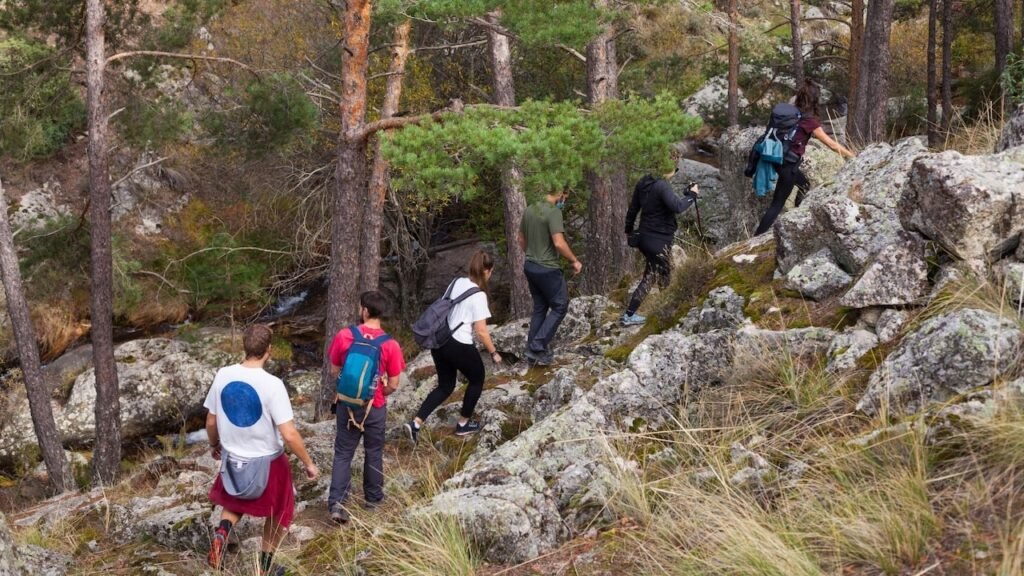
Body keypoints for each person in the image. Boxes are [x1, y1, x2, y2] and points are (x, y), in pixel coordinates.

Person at [205, 324, 318, 576]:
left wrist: (214, 446)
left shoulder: (223, 374)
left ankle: (222, 533)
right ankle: (263, 568)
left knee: (234, 501)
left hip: (233, 458)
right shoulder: (273, 384)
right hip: (268, 462)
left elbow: (211, 421)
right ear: (269, 350)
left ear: (244, 347)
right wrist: (309, 463)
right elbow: (289, 433)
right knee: (280, 511)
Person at [405, 251, 502, 445]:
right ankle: (463, 424)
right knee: (477, 378)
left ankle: (415, 423)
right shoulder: (479, 295)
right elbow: (481, 331)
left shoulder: (456, 282)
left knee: (446, 385)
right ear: (487, 271)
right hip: (459, 343)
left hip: (439, 341)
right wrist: (494, 353)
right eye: (490, 271)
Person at [326, 291, 405, 524]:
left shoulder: (345, 335)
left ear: (365, 311)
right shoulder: (390, 344)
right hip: (375, 406)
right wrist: (379, 392)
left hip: (346, 404)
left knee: (343, 453)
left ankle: (337, 505)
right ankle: (373, 501)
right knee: (374, 451)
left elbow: (333, 371)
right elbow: (394, 383)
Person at [754, 80, 856, 236]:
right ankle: (756, 238)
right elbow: (831, 144)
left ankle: (798, 215)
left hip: (777, 158)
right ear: (815, 100)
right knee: (777, 204)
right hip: (788, 164)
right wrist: (852, 155)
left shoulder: (790, 114)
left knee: (804, 184)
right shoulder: (809, 121)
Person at [621, 161, 700, 326]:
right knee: (654, 276)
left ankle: (652, 312)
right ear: (670, 168)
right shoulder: (662, 185)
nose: (675, 173)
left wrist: (628, 231)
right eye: (675, 169)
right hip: (659, 239)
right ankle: (656, 314)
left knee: (657, 273)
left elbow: (633, 209)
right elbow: (677, 207)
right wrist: (692, 196)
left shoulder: (643, 182)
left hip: (643, 237)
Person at [518, 187, 582, 366]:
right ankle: (537, 345)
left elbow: (520, 240)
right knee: (560, 306)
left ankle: (532, 351)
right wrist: (574, 261)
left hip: (530, 266)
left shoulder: (530, 208)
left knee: (540, 306)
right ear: (561, 193)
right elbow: (559, 243)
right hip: (547, 268)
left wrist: (533, 254)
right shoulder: (553, 212)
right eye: (565, 197)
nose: (565, 200)